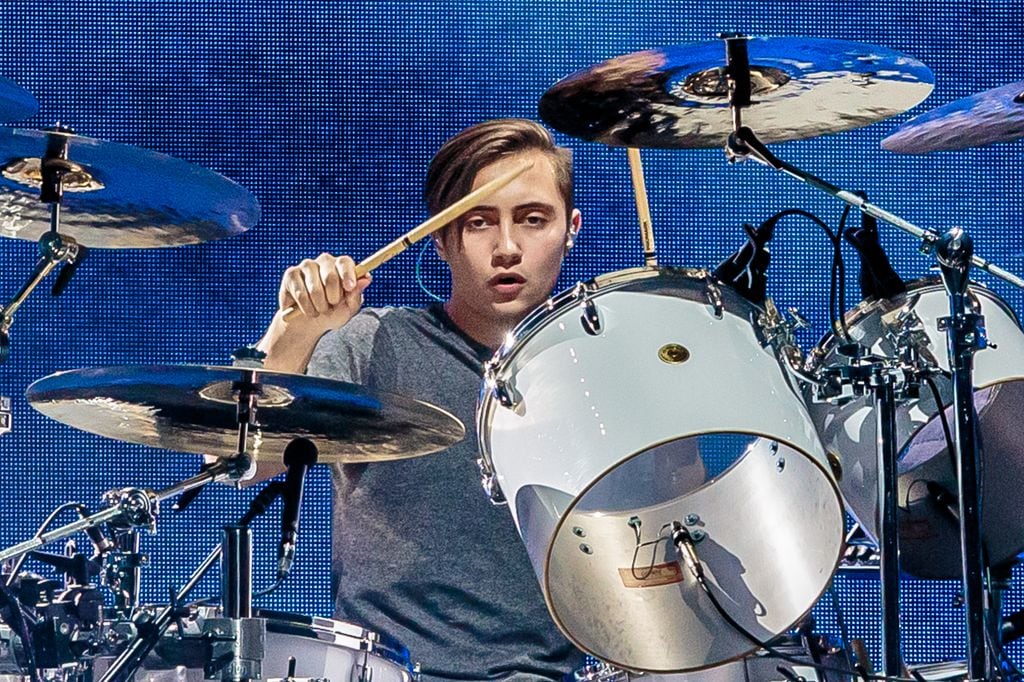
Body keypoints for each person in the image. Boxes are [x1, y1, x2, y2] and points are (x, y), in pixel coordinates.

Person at [257, 118, 584, 680]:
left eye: (533, 220)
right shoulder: (374, 343)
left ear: (571, 228)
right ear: (439, 237)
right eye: (478, 222)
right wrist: (294, 331)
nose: (507, 248)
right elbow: (247, 460)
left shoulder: (593, 368)